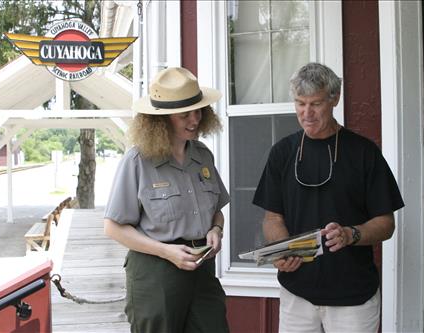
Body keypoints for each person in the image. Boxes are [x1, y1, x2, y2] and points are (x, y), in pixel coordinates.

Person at [252, 62, 404, 332]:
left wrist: (350, 234)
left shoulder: (364, 152)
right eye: (300, 103)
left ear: (334, 99)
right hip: (297, 293)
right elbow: (272, 217)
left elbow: (385, 223)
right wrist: (281, 249)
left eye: (316, 104)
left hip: (352, 297)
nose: (306, 113)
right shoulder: (282, 152)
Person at [104, 67, 229, 333]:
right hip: (155, 272)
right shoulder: (138, 161)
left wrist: (217, 229)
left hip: (203, 269)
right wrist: (167, 251)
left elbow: (216, 210)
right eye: (184, 114)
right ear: (160, 120)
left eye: (198, 111)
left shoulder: (203, 155)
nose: (194, 119)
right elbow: (113, 227)